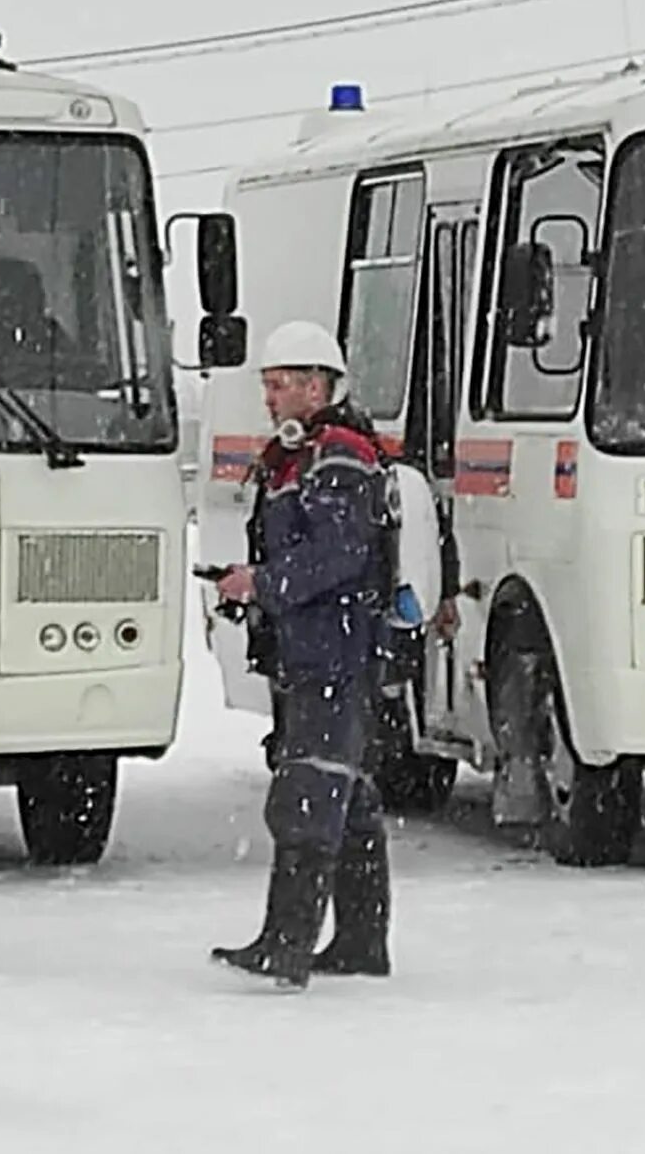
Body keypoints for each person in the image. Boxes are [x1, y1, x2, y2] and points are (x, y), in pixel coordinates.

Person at [209, 320, 395, 990]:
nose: (270, 398)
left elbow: (339, 554)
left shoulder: (336, 456)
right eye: (266, 385)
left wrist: (263, 582)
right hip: (324, 645)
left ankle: (287, 944)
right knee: (348, 793)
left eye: (281, 384)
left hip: (331, 649)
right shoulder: (311, 452)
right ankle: (358, 940)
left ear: (318, 385)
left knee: (310, 792)